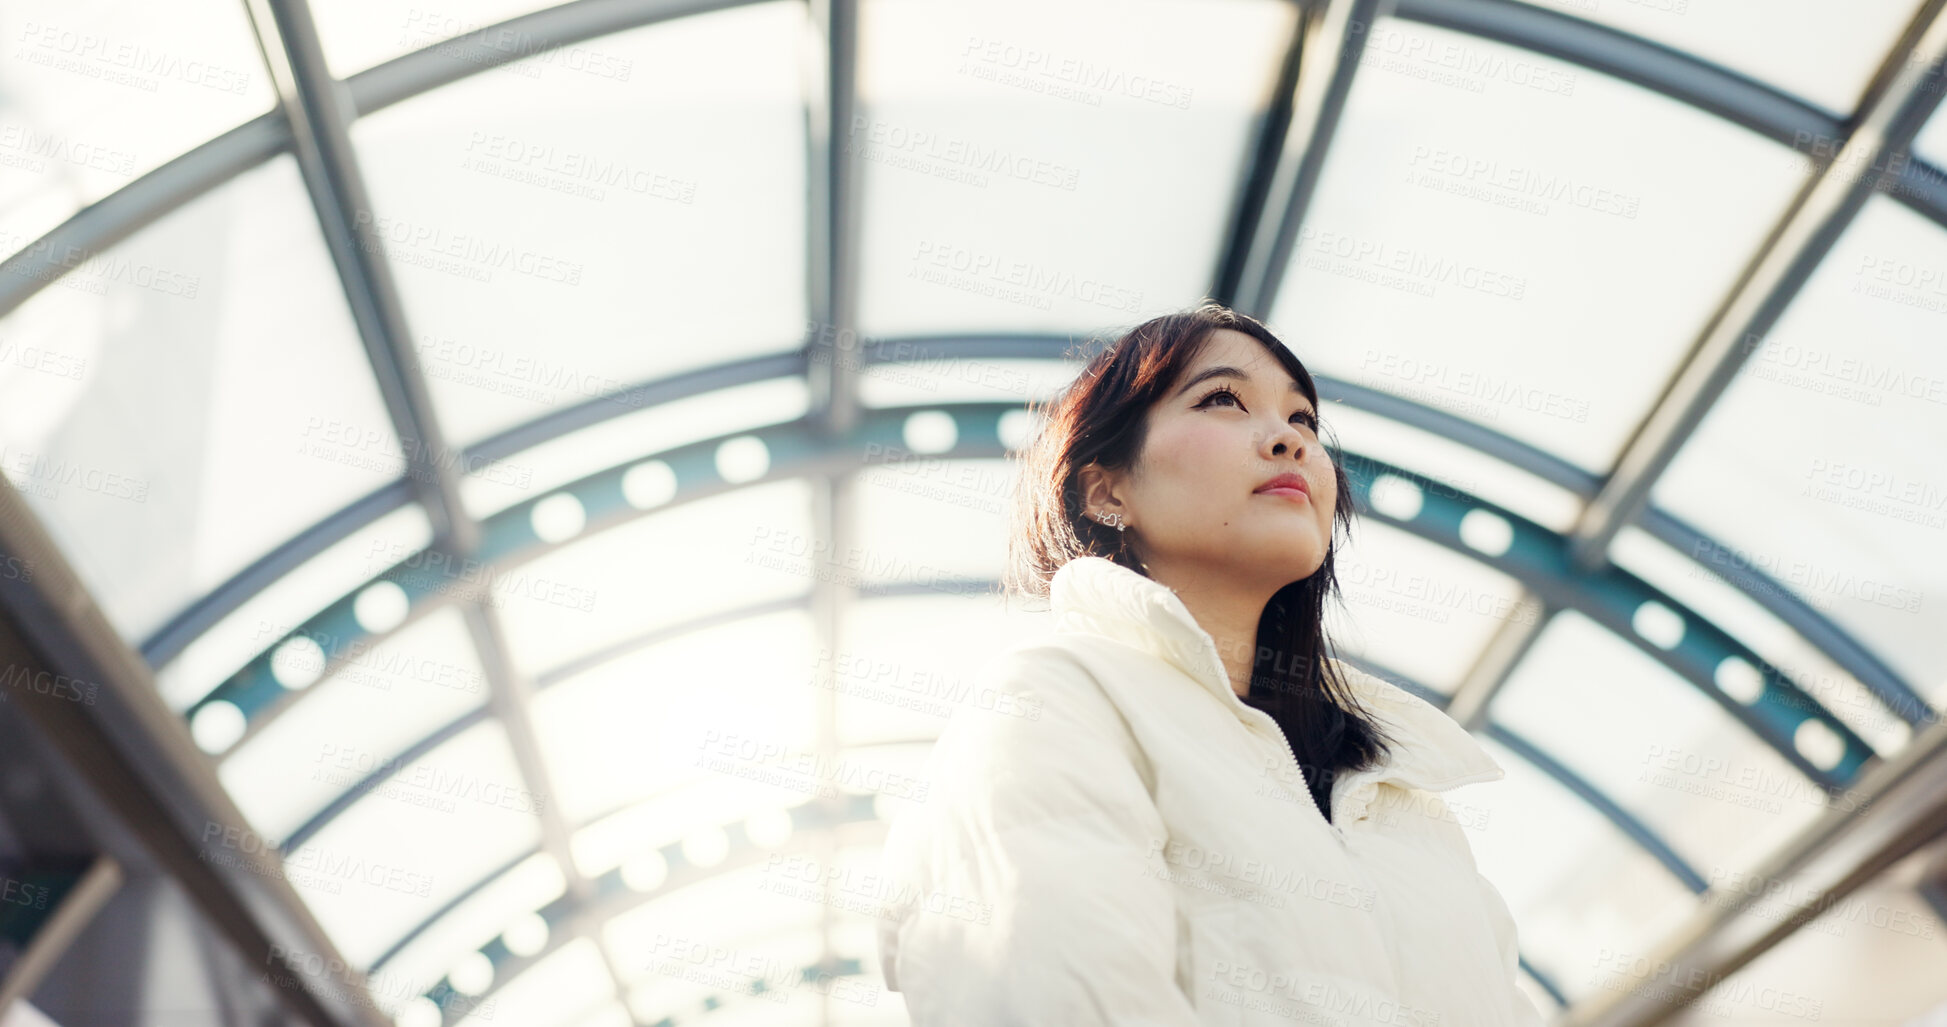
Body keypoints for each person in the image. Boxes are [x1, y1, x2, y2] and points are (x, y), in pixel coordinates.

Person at [873, 301, 1546, 1026]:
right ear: (1105, 490)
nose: (1288, 440)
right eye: (1222, 399)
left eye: (1304, 420)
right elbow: (1050, 991)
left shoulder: (1403, 796)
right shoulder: (1054, 700)